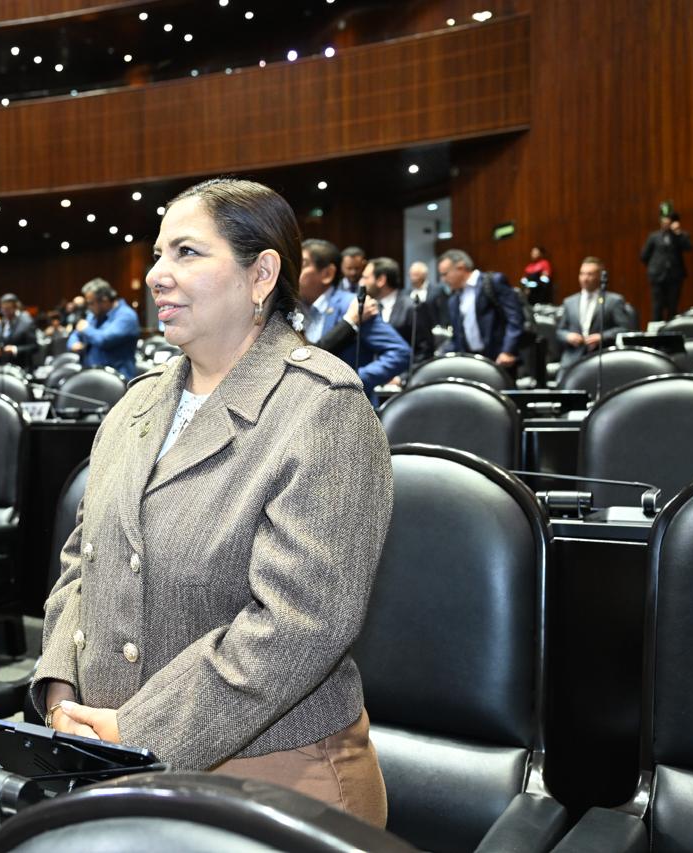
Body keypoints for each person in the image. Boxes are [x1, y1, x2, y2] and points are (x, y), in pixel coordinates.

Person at [34, 178, 391, 827]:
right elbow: (82, 563)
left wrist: (140, 732)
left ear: (261, 275)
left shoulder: (321, 407)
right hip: (107, 756)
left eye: (187, 252)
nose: (156, 275)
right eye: (158, 254)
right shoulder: (135, 403)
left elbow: (300, 621)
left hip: (273, 776)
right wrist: (62, 695)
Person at [300, 239, 410, 404]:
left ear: (327, 274)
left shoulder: (353, 305)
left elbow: (400, 352)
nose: (293, 271)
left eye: (302, 265)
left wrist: (354, 379)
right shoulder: (293, 307)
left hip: (347, 406)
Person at [438, 249, 524, 368]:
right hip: (471, 362)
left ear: (460, 267)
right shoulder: (453, 300)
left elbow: (515, 318)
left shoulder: (493, 282)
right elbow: (457, 336)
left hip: (499, 360)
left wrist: (508, 351)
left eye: (445, 274)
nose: (443, 280)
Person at [557, 257, 634, 372]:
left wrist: (602, 337)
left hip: (602, 358)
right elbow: (560, 331)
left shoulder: (613, 301)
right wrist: (568, 336)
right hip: (573, 359)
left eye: (590, 274)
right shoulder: (569, 302)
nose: (585, 278)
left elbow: (625, 328)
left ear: (599, 276)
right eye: (582, 274)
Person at [363, 256, 434, 370]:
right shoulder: (369, 308)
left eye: (365, 278)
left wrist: (402, 377)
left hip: (403, 377)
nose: (361, 283)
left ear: (381, 280)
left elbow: (425, 352)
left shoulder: (413, 307)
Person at [67, 278, 140, 379]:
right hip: (91, 375)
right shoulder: (93, 315)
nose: (89, 307)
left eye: (91, 303)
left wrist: (86, 329)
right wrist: (73, 343)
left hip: (117, 379)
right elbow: (76, 334)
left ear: (105, 300)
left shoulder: (126, 316)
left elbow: (104, 340)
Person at [640, 208, 693, 323]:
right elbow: (644, 255)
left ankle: (671, 330)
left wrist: (678, 233)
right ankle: (656, 330)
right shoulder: (654, 236)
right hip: (657, 277)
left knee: (673, 306)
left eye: (668, 221)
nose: (665, 223)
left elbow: (689, 247)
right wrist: (653, 267)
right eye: (663, 221)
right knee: (657, 306)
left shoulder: (680, 236)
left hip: (674, 277)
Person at [0, 293, 38, 368]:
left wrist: (15, 349)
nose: (5, 312)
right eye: (3, 309)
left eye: (8, 309)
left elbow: (34, 347)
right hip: (0, 367)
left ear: (15, 307)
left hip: (20, 366)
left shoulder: (26, 324)